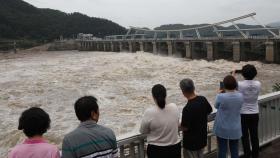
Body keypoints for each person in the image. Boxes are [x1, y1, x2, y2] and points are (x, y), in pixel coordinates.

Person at [140, 84, 181, 158]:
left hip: (157, 151)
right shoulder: (174, 107)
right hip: (175, 149)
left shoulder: (149, 112)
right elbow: (177, 123)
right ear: (166, 95)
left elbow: (143, 131)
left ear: (153, 97)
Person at [180, 79, 213, 158]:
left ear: (183, 92)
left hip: (191, 143)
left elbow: (185, 127)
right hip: (202, 139)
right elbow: (210, 110)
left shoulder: (187, 108)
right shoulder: (202, 99)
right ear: (194, 88)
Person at [233, 64, 261, 158]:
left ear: (243, 74)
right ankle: (255, 155)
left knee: (245, 137)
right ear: (254, 73)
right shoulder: (258, 84)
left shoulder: (240, 84)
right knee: (254, 136)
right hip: (254, 113)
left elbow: (230, 84)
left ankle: (247, 155)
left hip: (243, 114)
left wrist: (233, 73)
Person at [213, 75, 244, 158]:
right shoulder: (241, 96)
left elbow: (216, 106)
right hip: (235, 128)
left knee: (222, 150)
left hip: (222, 128)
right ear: (236, 85)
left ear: (224, 85)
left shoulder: (221, 96)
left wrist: (219, 93)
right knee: (234, 150)